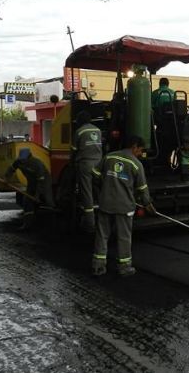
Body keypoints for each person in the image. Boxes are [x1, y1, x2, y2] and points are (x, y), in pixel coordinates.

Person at [91, 135, 155, 277]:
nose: (140, 153)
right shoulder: (136, 164)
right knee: (124, 237)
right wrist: (148, 205)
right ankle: (124, 267)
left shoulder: (109, 157)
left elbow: (94, 174)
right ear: (134, 146)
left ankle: (98, 266)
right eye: (140, 150)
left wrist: (103, 186)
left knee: (102, 235)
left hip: (105, 203)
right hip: (124, 207)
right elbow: (142, 189)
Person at [5, 147, 54, 230]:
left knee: (48, 200)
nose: (22, 162)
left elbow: (40, 182)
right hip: (31, 182)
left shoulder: (37, 164)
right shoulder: (19, 161)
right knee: (27, 201)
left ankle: (52, 223)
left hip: (44, 181)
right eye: (21, 159)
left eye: (24, 160)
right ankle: (27, 223)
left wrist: (37, 196)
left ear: (29, 157)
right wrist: (6, 178)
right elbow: (11, 169)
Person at [72, 111, 102, 231]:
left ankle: (90, 223)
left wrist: (72, 162)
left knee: (87, 192)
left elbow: (74, 150)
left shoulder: (79, 131)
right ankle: (104, 218)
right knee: (99, 189)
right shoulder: (98, 130)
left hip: (86, 164)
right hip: (99, 164)